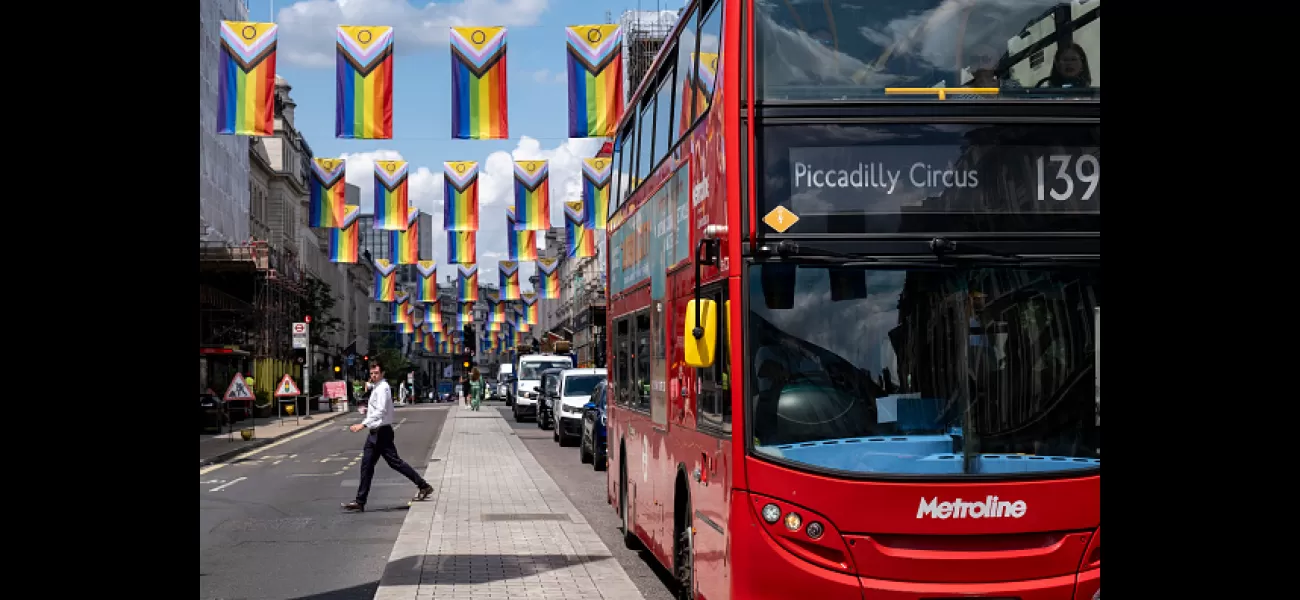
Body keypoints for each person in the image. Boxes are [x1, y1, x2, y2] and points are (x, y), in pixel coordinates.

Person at [341, 360, 433, 512]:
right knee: (366, 466)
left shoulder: (383, 388)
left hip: (382, 432)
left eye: (376, 373)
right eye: (371, 373)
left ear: (382, 373)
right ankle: (360, 501)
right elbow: (372, 394)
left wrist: (363, 424)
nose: (373, 376)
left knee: (395, 462)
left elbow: (381, 411)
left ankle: (423, 485)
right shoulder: (377, 386)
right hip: (374, 434)